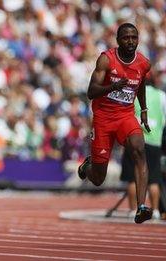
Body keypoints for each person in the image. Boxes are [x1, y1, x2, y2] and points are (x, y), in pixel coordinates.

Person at [77, 23, 153, 224]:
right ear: (118, 40)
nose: (131, 41)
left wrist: (143, 109)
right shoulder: (106, 59)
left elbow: (141, 82)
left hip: (125, 116)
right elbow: (91, 92)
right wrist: (113, 86)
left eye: (134, 37)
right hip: (103, 119)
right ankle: (87, 167)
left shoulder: (143, 63)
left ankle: (141, 207)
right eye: (126, 38)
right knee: (98, 178)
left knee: (139, 149)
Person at [120, 71, 166, 220]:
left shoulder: (132, 94)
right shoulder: (161, 96)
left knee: (133, 177)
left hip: (135, 139)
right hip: (154, 140)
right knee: (154, 178)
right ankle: (156, 210)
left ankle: (134, 209)